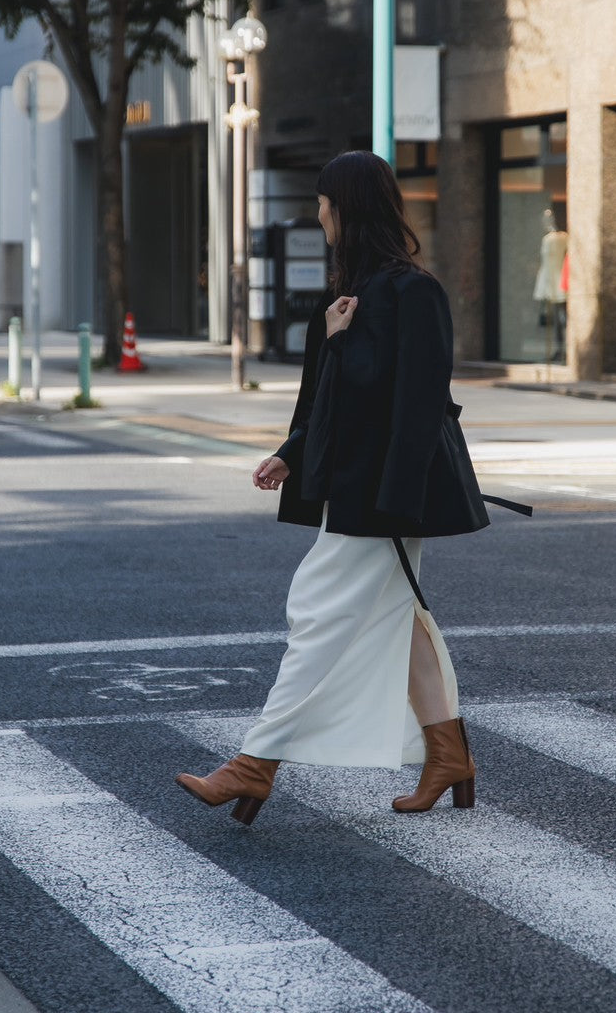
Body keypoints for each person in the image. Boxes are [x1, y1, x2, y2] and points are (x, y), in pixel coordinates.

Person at [175, 150, 490, 824]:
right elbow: (335, 399)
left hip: (382, 496)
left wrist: (395, 502)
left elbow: (414, 405)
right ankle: (448, 755)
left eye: (323, 203)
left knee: (317, 610)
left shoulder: (413, 291)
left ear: (346, 208)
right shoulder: (357, 291)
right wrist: (293, 452)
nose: (316, 214)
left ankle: (253, 764)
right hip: (355, 488)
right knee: (400, 621)